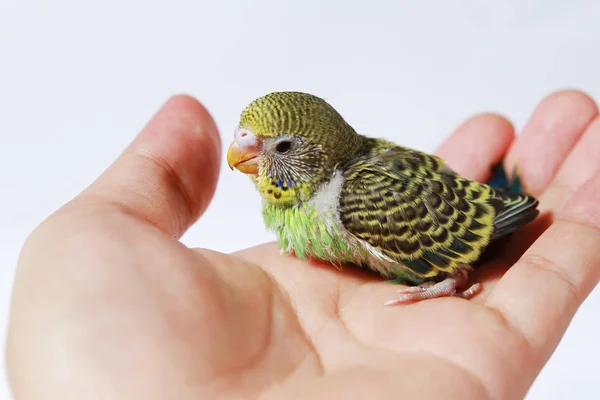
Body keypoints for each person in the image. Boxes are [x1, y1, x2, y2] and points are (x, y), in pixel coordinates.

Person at [5, 90, 600, 399]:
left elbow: (488, 223)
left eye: (278, 148)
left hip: (471, 212)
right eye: (249, 140)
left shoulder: (359, 200)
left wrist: (451, 278)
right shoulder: (294, 197)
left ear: (316, 156)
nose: (248, 155)